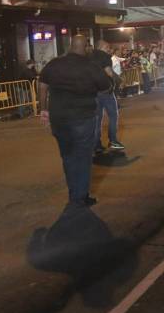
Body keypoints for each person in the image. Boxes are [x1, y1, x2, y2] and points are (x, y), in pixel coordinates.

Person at [38, 35, 113, 207]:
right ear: (85, 47)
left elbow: (42, 85)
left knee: (67, 156)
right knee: (83, 157)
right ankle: (81, 196)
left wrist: (43, 109)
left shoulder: (54, 63)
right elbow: (106, 86)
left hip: (59, 119)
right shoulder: (90, 66)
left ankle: (74, 193)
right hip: (82, 118)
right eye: (88, 47)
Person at [91, 40, 124, 153]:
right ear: (103, 47)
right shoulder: (104, 56)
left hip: (93, 92)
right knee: (113, 115)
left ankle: (96, 145)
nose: (109, 50)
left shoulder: (89, 56)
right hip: (105, 91)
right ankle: (113, 140)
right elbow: (109, 72)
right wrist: (118, 79)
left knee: (97, 119)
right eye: (108, 47)